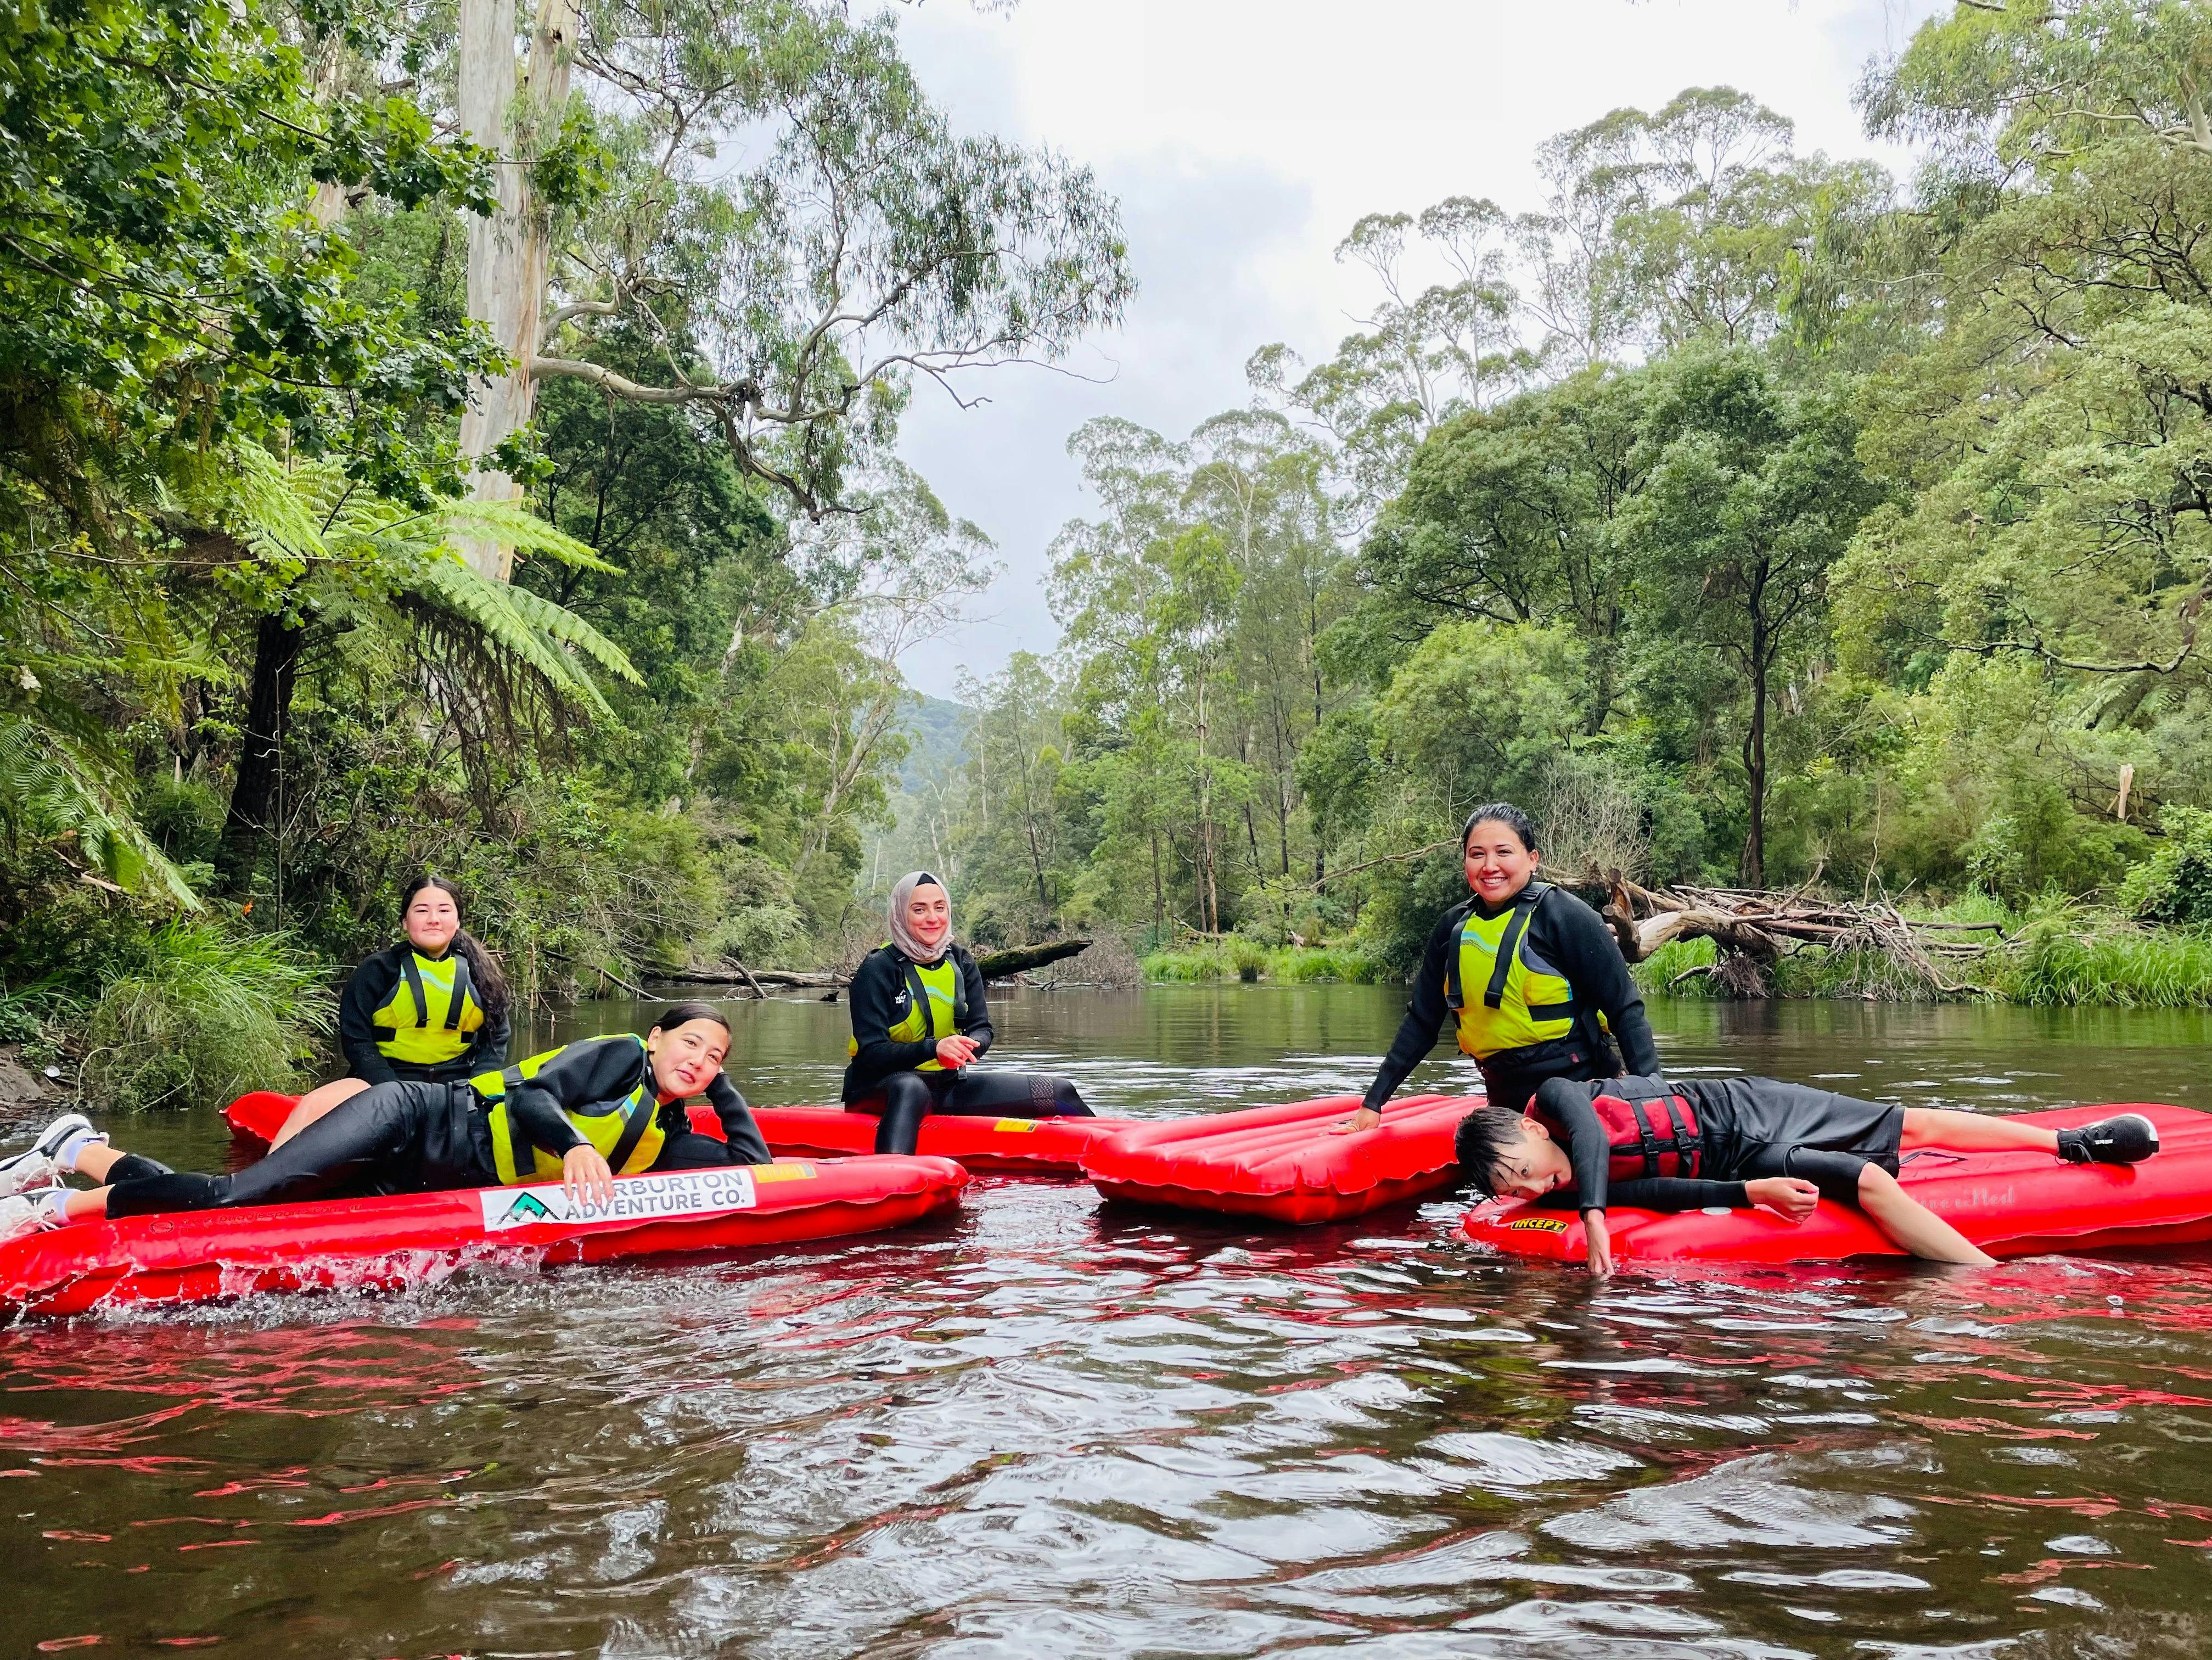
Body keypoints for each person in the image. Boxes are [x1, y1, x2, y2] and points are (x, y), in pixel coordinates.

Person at [0, 1005, 770, 1240]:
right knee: (238, 1202)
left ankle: (81, 1148)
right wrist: (571, 1145)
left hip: (412, 1183)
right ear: (657, 1038)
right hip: (409, 1119)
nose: (700, 1059)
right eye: (690, 1043)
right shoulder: (617, 1059)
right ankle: (47, 1210)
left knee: (247, 1217)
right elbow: (534, 1100)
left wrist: (724, 1084)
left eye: (715, 1057)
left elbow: (751, 1165)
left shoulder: (664, 1137)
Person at [1456, 1073, 2162, 1274]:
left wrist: (1595, 1216)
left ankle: (2070, 1144)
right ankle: (1991, 1280)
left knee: (1910, 1125)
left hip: (1753, 1106)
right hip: (1745, 1159)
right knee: (1870, 1182)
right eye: (1515, 1194)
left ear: (1529, 1128)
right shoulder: (1572, 1184)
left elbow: (1587, 1133)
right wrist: (1748, 1193)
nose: (1530, 1191)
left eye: (1523, 1172)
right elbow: (1667, 1190)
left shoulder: (1554, 1099)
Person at [1338, 801, 1658, 1134]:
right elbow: (1421, 1023)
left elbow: (1626, 1011)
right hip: (1505, 1101)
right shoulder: (1451, 929)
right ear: (1465, 863)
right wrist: (1372, 1104)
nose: (1490, 866)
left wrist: (1654, 1099)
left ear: (1532, 859)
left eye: (1503, 852)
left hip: (1583, 1093)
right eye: (1477, 855)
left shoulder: (1566, 916)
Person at [843, 871, 1093, 1156]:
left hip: (946, 1085)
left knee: (1058, 1092)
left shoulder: (960, 960)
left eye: (940, 908)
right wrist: (934, 1049)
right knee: (910, 1088)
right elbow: (871, 1054)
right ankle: (890, 1175)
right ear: (901, 914)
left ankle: (1109, 1156)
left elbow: (982, 1029)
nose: (932, 918)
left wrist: (967, 1047)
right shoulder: (878, 968)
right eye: (919, 909)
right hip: (879, 1087)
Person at [271, 874, 512, 1148]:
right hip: (383, 1082)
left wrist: (474, 1089)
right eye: (422, 911)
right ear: (405, 922)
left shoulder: (482, 976)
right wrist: (391, 1091)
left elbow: (496, 1040)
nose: (434, 919)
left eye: (444, 911)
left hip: (456, 1088)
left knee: (522, 1102)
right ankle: (261, 1182)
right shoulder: (378, 970)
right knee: (314, 1105)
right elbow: (357, 1040)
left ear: (457, 921)